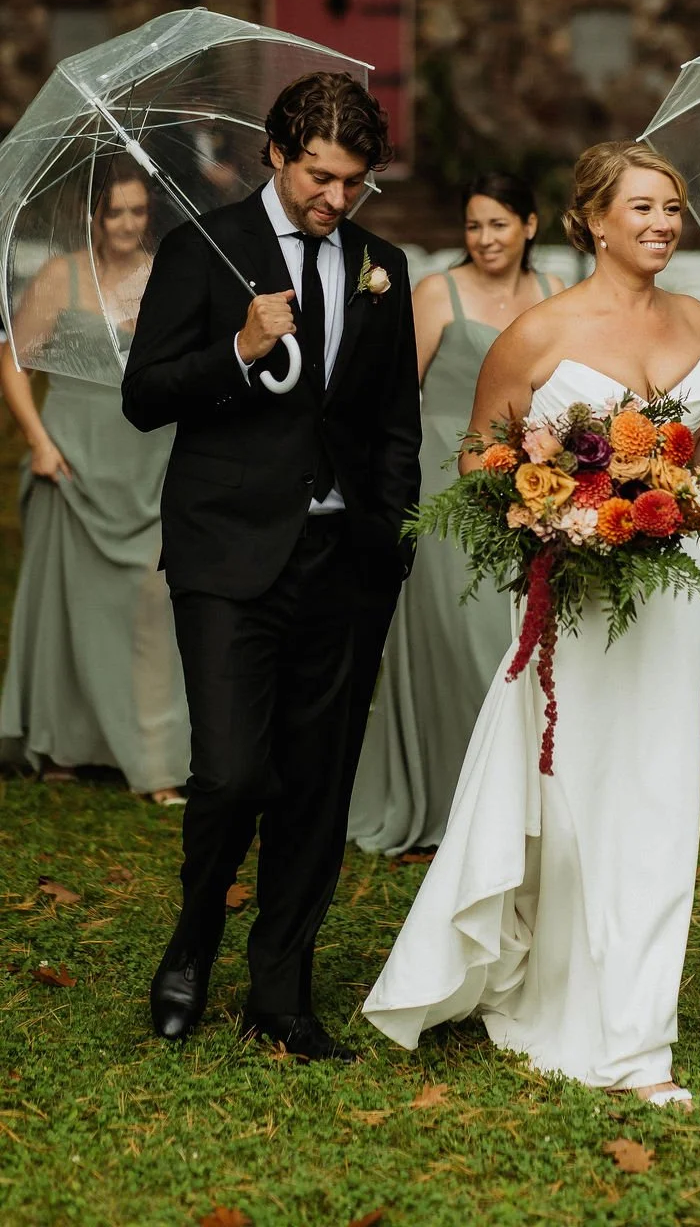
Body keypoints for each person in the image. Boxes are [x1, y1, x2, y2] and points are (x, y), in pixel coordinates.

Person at [363, 140, 700, 1105]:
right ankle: (553, 985)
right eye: (642, 208)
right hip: (575, 597)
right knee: (576, 802)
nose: (661, 224)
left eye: (674, 209)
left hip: (668, 596)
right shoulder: (540, 331)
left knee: (658, 800)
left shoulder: (693, 318)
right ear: (593, 220)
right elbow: (479, 458)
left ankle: (638, 1037)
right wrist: (565, 509)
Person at [122, 71, 420, 1061]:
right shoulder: (201, 249)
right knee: (232, 773)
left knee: (316, 784)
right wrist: (238, 349)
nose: (336, 200)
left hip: (343, 562)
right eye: (320, 178)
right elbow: (145, 396)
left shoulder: (383, 265)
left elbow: (389, 422)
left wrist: (389, 530)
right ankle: (193, 938)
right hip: (225, 551)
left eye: (354, 183)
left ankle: (280, 992)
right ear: (276, 154)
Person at [348, 173, 565, 855]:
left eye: (499, 224)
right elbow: (389, 397)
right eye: (473, 225)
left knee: (519, 644)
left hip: (536, 488)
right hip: (448, 485)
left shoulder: (556, 295)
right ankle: (450, 807)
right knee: (459, 641)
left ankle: (517, 811)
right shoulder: (436, 293)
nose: (485, 238)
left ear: (530, 225)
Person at [0, 159, 189, 803]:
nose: (129, 225)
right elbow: (14, 362)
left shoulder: (167, 276)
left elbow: (197, 365)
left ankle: (155, 759)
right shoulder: (61, 276)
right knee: (68, 607)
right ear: (94, 216)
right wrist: (40, 443)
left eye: (139, 211)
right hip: (73, 457)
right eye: (116, 212)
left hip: (148, 459)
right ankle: (62, 746)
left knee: (153, 609)